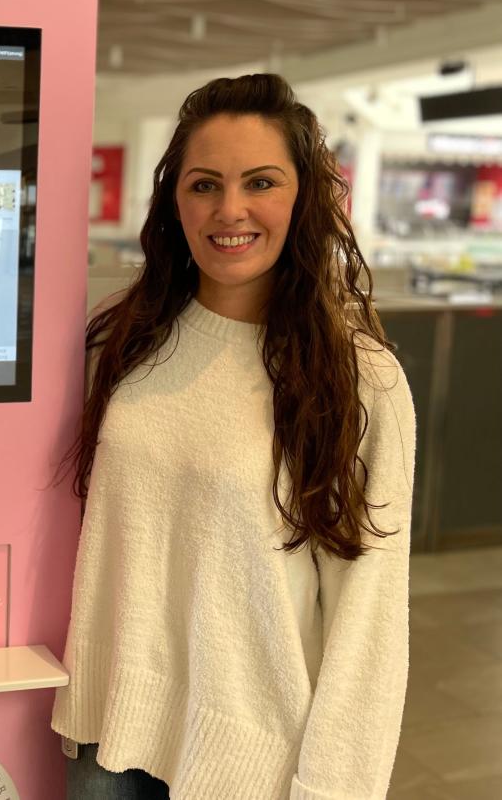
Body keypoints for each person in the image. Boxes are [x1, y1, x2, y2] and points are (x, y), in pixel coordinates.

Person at [52, 74, 416, 799]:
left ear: (305, 197)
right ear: (174, 200)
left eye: (261, 182)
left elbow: (369, 611)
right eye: (204, 184)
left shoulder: (358, 376)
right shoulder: (129, 338)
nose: (230, 210)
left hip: (249, 758)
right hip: (109, 730)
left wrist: (336, 786)